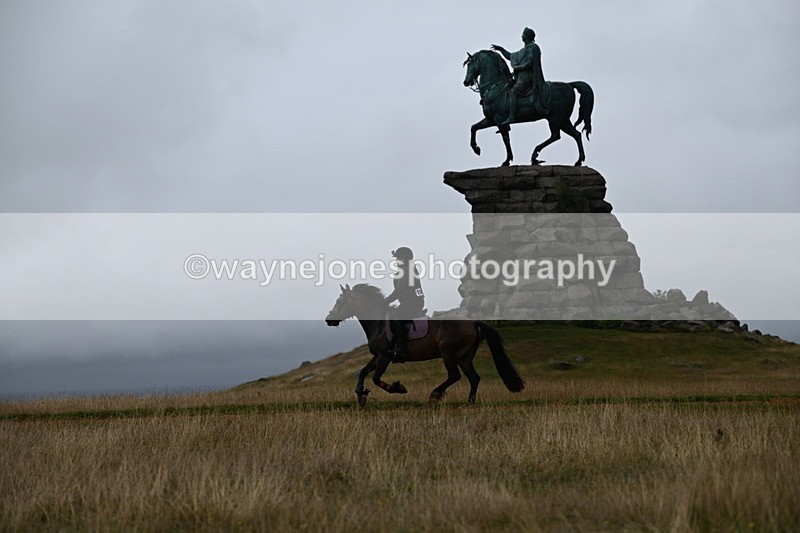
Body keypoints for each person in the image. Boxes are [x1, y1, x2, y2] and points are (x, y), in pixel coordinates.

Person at [491, 27, 551, 124]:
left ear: (527, 36)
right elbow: (510, 56)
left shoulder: (533, 48)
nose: (521, 36)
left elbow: (530, 63)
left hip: (528, 78)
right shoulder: (523, 50)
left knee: (513, 92)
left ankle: (512, 117)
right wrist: (501, 49)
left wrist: (519, 68)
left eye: (523, 34)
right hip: (521, 78)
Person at [385, 247, 425, 363]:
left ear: (405, 259)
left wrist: (384, 302)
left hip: (412, 302)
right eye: (397, 258)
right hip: (411, 302)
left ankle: (401, 350)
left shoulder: (406, 271)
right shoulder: (408, 270)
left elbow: (398, 292)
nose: (397, 260)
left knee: (396, 318)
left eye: (399, 258)